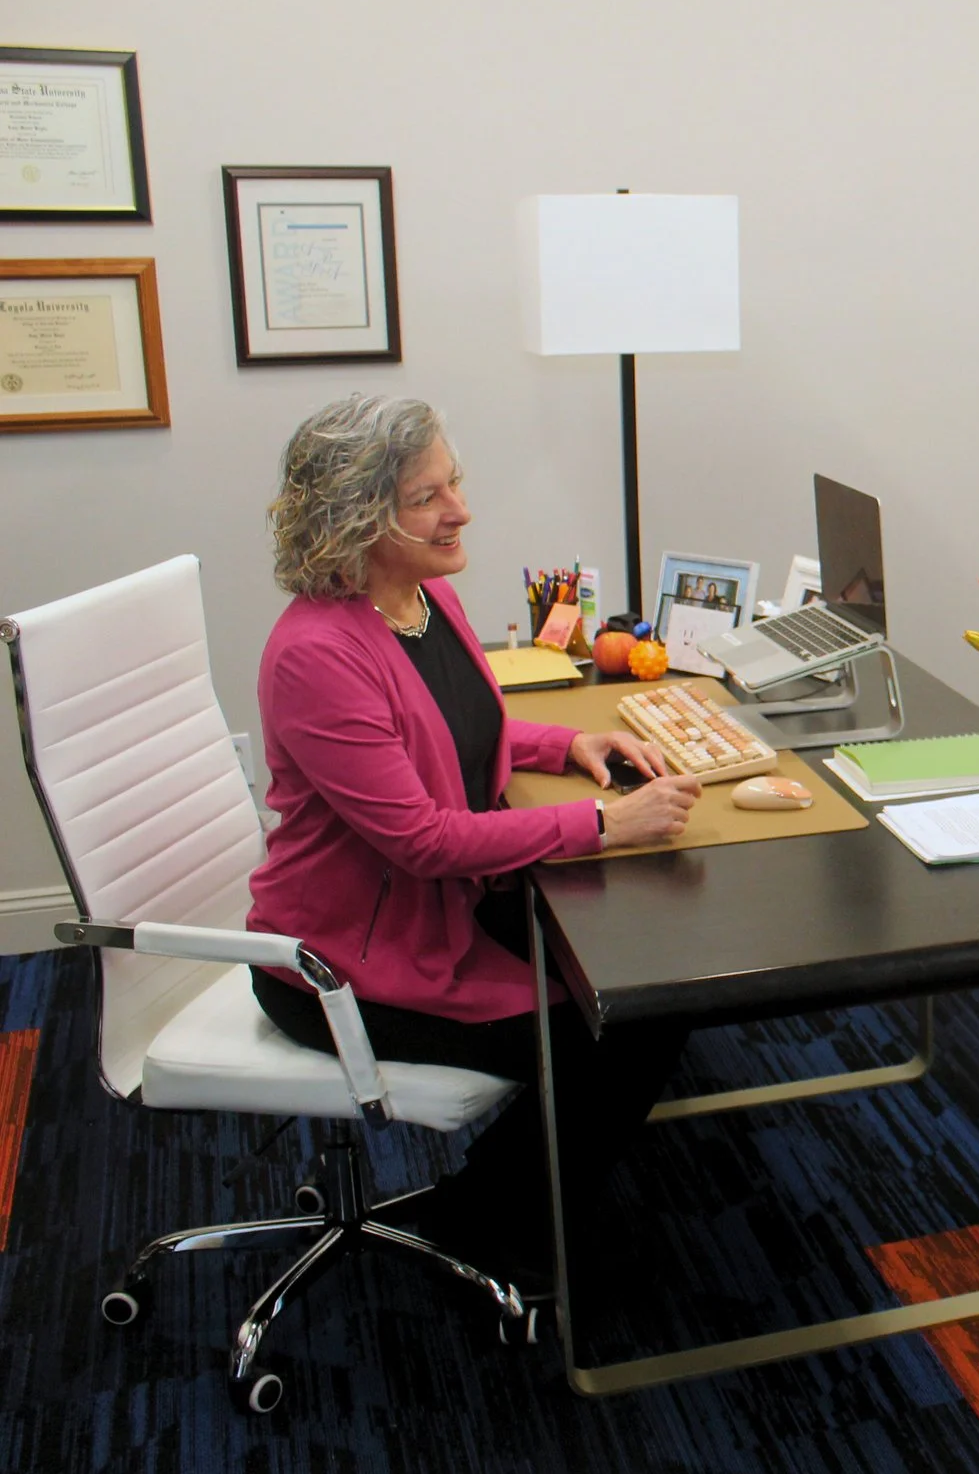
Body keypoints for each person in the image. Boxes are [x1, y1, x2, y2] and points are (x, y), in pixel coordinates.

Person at [246, 394, 703, 1286]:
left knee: (647, 976)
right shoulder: (315, 654)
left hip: (436, 912)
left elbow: (458, 731)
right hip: (346, 962)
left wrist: (568, 743)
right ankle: (494, 1223)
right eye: (427, 497)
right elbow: (421, 836)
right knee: (621, 1021)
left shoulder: (427, 597)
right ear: (355, 517)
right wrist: (606, 822)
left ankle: (506, 1198)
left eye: (453, 481)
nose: (460, 509)